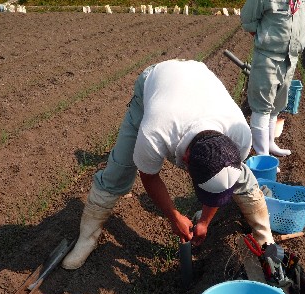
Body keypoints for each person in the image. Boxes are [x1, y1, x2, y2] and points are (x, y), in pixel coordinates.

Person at [62, 59, 276, 270]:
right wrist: (174, 217)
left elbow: (226, 179)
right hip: (156, 80)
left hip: (198, 78)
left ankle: (264, 236)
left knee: (242, 179)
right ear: (185, 160)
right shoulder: (155, 132)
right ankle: (87, 238)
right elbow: (149, 176)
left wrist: (204, 222)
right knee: (119, 169)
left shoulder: (241, 136)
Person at [240, 0, 305, 157]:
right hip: (267, 56)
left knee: (277, 104)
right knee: (262, 105)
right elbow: (248, 20)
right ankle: (262, 155)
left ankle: (270, 143)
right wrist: (266, 39)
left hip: (291, 58)